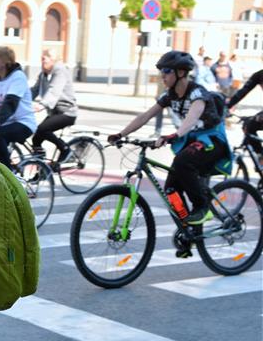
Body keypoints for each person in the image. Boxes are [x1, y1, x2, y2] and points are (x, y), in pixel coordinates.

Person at [108, 51, 229, 227]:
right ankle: (188, 229)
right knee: (171, 190)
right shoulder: (170, 95)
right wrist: (121, 134)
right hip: (192, 141)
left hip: (212, 140)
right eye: (161, 71)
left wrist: (174, 135)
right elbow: (145, 116)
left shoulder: (197, 93)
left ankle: (202, 207)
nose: (162, 75)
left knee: (182, 162)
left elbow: (192, 118)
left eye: (166, 71)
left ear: (180, 72)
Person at [29, 49, 78, 162]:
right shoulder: (44, 74)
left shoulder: (60, 71)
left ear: (53, 60)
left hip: (67, 112)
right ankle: (41, 169)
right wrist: (21, 101)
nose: (42, 62)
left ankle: (65, 149)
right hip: (55, 112)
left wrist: (41, 105)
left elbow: (54, 91)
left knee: (42, 129)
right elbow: (34, 90)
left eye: (44, 59)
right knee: (36, 139)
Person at [227, 68, 263, 156]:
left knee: (249, 124)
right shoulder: (259, 75)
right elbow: (243, 91)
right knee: (248, 126)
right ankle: (261, 156)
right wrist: (227, 106)